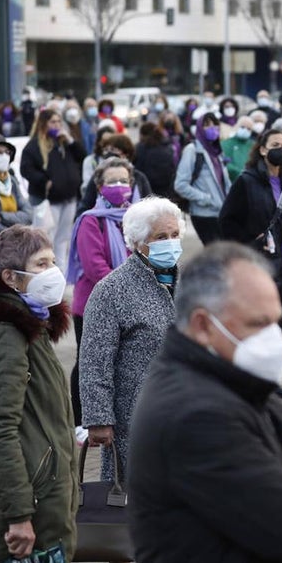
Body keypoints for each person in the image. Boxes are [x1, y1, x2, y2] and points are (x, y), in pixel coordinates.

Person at [127, 242, 282, 563]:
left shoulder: (233, 380)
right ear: (203, 326)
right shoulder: (196, 415)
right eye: (258, 324)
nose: (275, 340)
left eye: (275, 321)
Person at [80, 197, 184, 483]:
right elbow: (94, 360)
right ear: (138, 242)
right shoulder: (111, 291)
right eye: (161, 237)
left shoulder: (189, 282)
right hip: (135, 419)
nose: (171, 242)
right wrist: (99, 419)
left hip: (186, 413)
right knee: (137, 499)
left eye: (175, 235)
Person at [0, 227, 78, 563]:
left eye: (54, 261)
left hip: (46, 494)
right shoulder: (8, 334)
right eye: (42, 264)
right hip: (31, 504)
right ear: (12, 277)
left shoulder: (33, 326)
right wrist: (18, 514)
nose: (54, 272)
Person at [220, 129, 282, 399]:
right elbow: (226, 221)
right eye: (274, 145)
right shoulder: (246, 182)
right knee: (255, 324)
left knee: (277, 323)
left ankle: (272, 380)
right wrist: (249, 241)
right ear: (262, 149)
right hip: (258, 266)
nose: (280, 150)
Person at [68, 156, 136, 427]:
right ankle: (81, 421)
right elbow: (95, 266)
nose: (119, 186)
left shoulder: (133, 218)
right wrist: (129, 288)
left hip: (126, 301)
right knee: (87, 363)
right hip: (92, 305)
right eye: (112, 181)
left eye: (124, 181)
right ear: (99, 187)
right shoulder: (90, 221)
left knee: (118, 361)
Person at [20, 108, 86, 269]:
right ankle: (46, 273)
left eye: (58, 121)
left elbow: (82, 156)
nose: (57, 125)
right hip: (48, 200)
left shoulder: (64, 142)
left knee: (63, 240)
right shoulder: (35, 145)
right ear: (44, 124)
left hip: (69, 197)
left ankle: (61, 275)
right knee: (46, 239)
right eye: (53, 122)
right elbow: (26, 169)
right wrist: (44, 181)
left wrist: (70, 141)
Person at [174, 112, 232, 245]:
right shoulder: (192, 150)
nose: (212, 128)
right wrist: (205, 198)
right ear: (200, 128)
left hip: (221, 213)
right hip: (204, 214)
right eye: (206, 125)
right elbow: (180, 184)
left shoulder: (217, 152)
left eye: (214, 124)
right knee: (216, 254)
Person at [77, 133, 153, 216]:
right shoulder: (99, 176)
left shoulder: (139, 177)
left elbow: (150, 207)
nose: (108, 154)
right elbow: (85, 205)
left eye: (113, 150)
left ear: (125, 154)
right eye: (106, 150)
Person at [0, 133, 34, 234]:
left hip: (14, 239)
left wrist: (1, 216)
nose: (4, 156)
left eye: (7, 152)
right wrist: (11, 230)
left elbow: (28, 215)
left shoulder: (12, 182)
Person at [134, 120, 178, 198]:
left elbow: (138, 169)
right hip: (166, 190)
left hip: (147, 189)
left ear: (143, 134)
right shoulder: (168, 146)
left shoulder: (141, 148)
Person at [221, 116, 257, 182]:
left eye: (249, 129)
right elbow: (225, 163)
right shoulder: (226, 144)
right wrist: (240, 173)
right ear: (237, 127)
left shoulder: (254, 146)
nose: (245, 130)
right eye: (242, 127)